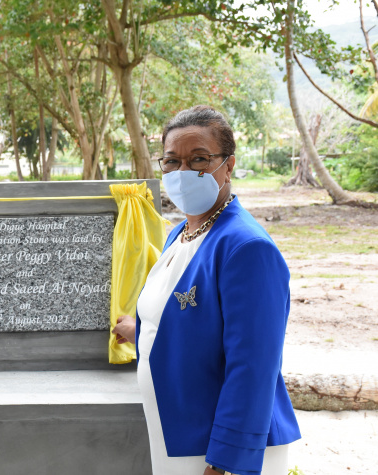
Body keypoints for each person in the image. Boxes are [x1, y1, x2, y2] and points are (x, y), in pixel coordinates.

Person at [112, 105, 300, 475]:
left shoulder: (246, 248)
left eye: (199, 159)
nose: (183, 172)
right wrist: (140, 332)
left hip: (221, 451)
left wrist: (225, 462)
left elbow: (254, 367)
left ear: (227, 166)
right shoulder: (181, 234)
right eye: (172, 161)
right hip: (180, 435)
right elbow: (193, 320)